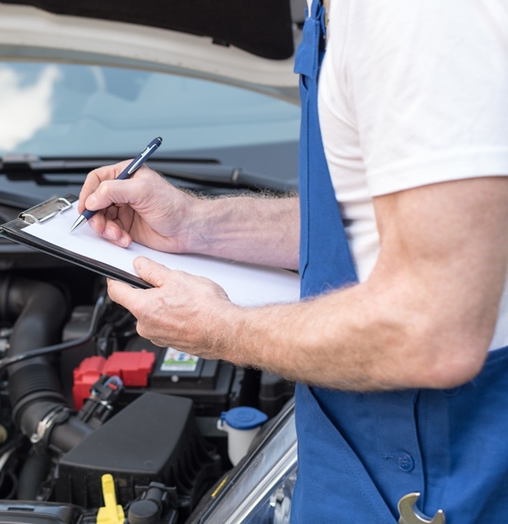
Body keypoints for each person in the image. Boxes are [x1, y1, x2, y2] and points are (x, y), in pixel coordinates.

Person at [77, 0, 508, 521]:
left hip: (432, 469)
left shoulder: (411, 16)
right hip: (356, 449)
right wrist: (196, 223)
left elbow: (434, 330)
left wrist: (221, 331)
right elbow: (366, 217)